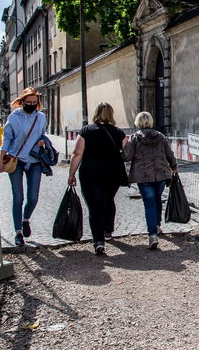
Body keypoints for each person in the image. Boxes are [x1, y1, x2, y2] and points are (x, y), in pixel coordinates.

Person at [67, 102, 129, 255]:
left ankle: (98, 241)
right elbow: (127, 154)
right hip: (113, 173)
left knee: (95, 207)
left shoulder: (87, 131)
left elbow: (77, 153)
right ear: (111, 114)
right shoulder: (119, 132)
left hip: (91, 173)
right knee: (108, 200)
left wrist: (71, 173)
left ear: (96, 113)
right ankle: (108, 229)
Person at [0, 87, 48, 247]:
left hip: (34, 161)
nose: (31, 105)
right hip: (16, 160)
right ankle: (18, 232)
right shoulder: (14, 118)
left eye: (34, 102)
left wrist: (42, 142)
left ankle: (26, 219)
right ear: (22, 102)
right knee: (18, 197)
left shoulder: (41, 117)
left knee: (33, 197)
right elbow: (7, 138)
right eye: (28, 102)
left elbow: (42, 135)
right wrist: (1, 158)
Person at [122, 111, 178, 249]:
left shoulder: (135, 138)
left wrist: (123, 147)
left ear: (138, 122)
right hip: (161, 174)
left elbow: (127, 157)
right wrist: (174, 166)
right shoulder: (161, 136)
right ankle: (157, 225)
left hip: (143, 176)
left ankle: (152, 234)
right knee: (157, 199)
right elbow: (169, 154)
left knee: (149, 204)